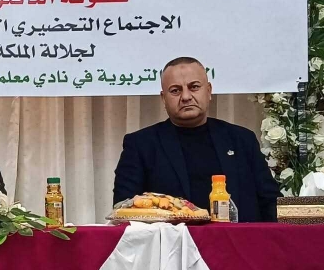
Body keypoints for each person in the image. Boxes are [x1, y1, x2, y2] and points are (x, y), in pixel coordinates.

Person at [113, 56, 279, 222]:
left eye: (194, 87)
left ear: (209, 91)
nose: (186, 96)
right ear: (163, 98)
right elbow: (124, 209)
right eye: (175, 90)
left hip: (237, 237)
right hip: (171, 238)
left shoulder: (242, 140)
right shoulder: (141, 145)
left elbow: (271, 203)